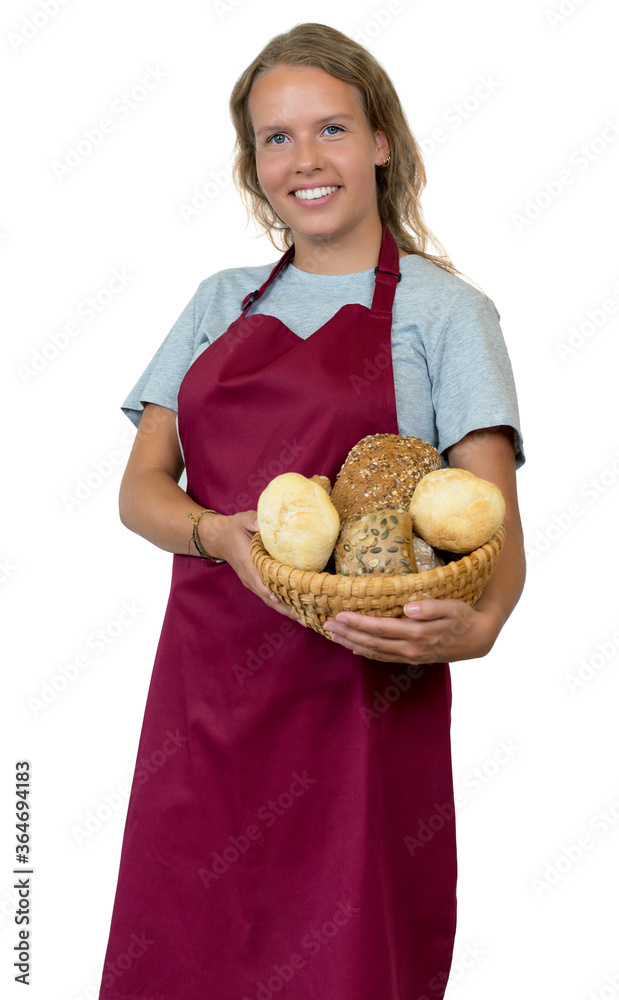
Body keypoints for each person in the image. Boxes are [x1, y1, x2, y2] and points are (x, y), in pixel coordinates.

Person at [97, 21, 525, 1000]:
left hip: (360, 705)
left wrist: (482, 624)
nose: (305, 159)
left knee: (346, 964)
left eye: (330, 127)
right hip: (204, 706)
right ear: (254, 166)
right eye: (276, 138)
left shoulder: (444, 314)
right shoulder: (218, 301)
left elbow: (488, 522)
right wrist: (218, 534)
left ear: (381, 140)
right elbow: (142, 490)